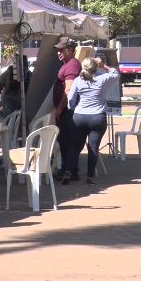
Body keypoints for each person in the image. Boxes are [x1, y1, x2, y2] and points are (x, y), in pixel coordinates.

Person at [65, 57, 119, 185]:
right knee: (93, 147)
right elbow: (115, 73)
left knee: (75, 147)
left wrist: (72, 107)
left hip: (79, 116)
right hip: (97, 116)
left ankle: (68, 171)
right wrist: (103, 65)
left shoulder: (78, 80)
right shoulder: (102, 79)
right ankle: (90, 177)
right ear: (96, 67)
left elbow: (71, 98)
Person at [52, 37, 82, 182]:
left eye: (61, 49)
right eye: (57, 50)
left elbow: (68, 90)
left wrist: (59, 109)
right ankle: (68, 169)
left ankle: (69, 170)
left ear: (70, 50)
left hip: (68, 111)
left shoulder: (71, 66)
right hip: (66, 110)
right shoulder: (68, 64)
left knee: (67, 141)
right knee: (65, 141)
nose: (58, 52)